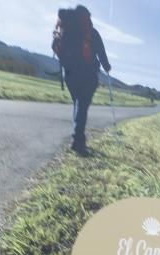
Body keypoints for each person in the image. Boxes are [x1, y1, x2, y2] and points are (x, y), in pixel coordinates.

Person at [54, 5, 111, 155]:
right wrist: (107, 67)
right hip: (87, 74)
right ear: (86, 17)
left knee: (78, 104)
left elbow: (56, 46)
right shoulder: (91, 33)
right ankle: (78, 142)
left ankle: (77, 139)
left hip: (69, 74)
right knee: (82, 106)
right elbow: (102, 53)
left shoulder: (66, 29)